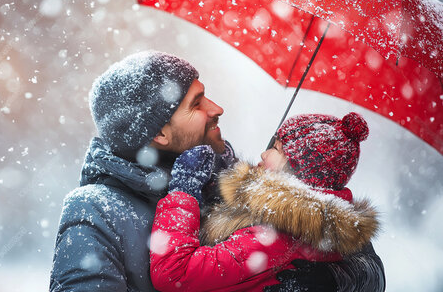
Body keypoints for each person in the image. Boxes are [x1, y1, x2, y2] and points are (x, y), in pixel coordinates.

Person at [49, 50, 385, 291]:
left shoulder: (231, 175)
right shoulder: (95, 210)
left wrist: (339, 280)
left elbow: (356, 250)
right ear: (159, 133)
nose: (217, 108)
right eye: (196, 103)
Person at [150, 112, 384, 291]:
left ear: (297, 171)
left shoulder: (275, 236)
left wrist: (183, 194)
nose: (263, 153)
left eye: (276, 148)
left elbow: (174, 274)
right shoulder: (321, 222)